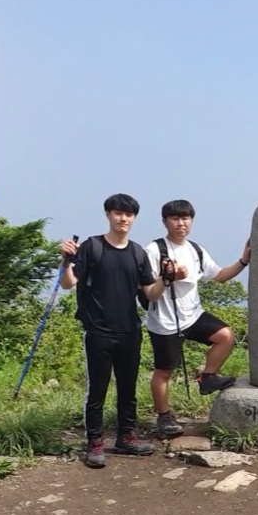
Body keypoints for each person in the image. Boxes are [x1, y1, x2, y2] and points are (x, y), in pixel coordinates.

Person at [59, 193, 160, 468]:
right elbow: (68, 283)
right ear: (108, 214)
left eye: (128, 214)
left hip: (130, 330)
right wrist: (65, 260)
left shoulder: (138, 253)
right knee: (97, 390)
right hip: (98, 331)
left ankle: (126, 437)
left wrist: (167, 279)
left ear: (134, 218)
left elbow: (150, 293)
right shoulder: (92, 247)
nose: (123, 218)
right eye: (118, 213)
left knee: (128, 389)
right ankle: (94, 442)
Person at [144, 199, 251, 437]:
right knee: (164, 372)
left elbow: (220, 275)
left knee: (225, 336)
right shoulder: (154, 250)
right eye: (175, 218)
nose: (180, 223)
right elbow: (149, 291)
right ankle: (164, 417)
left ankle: (208, 377)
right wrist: (169, 277)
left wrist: (243, 261)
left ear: (191, 221)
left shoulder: (195, 250)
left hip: (193, 315)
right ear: (165, 222)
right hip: (164, 320)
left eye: (185, 218)